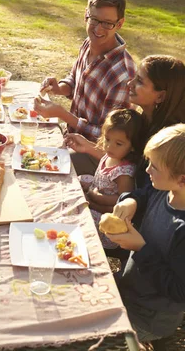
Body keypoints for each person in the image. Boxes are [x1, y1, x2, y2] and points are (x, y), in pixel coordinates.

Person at [36, 0, 136, 175]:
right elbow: (75, 81)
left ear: (120, 24)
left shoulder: (122, 75)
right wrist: (59, 88)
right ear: (86, 15)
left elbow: (111, 137)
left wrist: (63, 115)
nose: (98, 29)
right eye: (95, 20)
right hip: (72, 139)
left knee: (38, 164)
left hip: (97, 157)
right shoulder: (89, 42)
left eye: (107, 23)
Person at [106, 124, 185, 343]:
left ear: (182, 179)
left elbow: (179, 290)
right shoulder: (164, 190)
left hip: (147, 317)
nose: (147, 170)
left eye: (155, 167)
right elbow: (143, 194)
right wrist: (131, 201)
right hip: (127, 290)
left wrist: (140, 249)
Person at [66, 55, 185, 186]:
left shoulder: (167, 141)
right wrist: (88, 146)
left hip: (127, 200)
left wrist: (98, 200)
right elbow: (125, 160)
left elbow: (145, 191)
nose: (129, 83)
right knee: (66, 159)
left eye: (139, 81)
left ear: (160, 96)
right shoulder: (143, 119)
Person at [79, 109, 147, 249]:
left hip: (107, 222)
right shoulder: (110, 156)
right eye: (107, 139)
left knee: (79, 215)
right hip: (96, 197)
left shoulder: (124, 172)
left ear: (132, 146)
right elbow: (101, 180)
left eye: (119, 143)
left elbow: (121, 200)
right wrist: (90, 186)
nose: (109, 146)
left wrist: (95, 198)